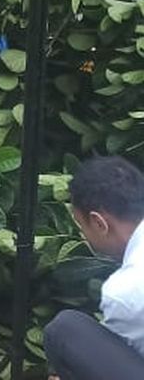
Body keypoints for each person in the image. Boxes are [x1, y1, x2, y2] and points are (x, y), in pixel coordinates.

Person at [43, 156, 144, 379]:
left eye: (81, 227)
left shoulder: (123, 292)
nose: (83, 235)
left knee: (65, 330)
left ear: (99, 223)